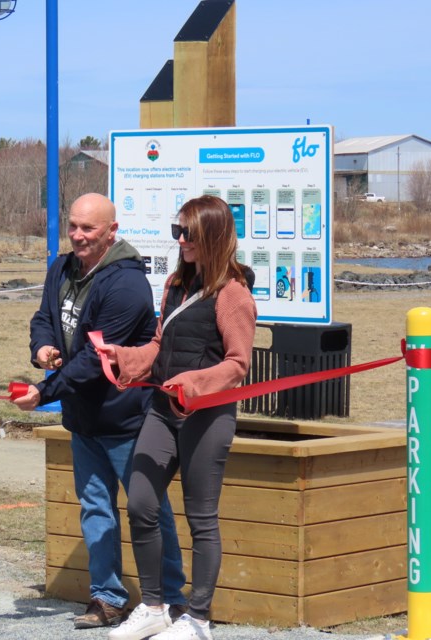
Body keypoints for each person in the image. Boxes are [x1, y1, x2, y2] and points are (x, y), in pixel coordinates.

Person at [11, 193, 188, 631]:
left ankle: (170, 599)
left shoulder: (127, 285)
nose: (77, 235)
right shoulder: (62, 267)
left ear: (112, 231)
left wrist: (42, 391)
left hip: (127, 419)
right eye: (73, 226)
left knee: (148, 510)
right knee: (95, 508)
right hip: (83, 418)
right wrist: (43, 348)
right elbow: (44, 317)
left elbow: (95, 362)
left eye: (88, 229)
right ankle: (107, 597)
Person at [97, 195, 257, 640]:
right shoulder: (174, 286)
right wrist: (123, 359)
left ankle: (199, 619)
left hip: (208, 417)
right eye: (176, 231)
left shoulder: (233, 294)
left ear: (213, 235)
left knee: (201, 517)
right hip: (162, 413)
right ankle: (153, 607)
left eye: (187, 232)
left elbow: (238, 364)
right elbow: (158, 347)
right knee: (142, 502)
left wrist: (195, 383)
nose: (180, 240)